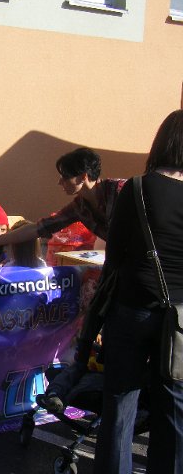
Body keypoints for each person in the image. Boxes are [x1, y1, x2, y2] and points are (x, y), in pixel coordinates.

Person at [93, 109, 183, 474]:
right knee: (173, 406)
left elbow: (114, 256)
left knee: (120, 402)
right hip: (180, 317)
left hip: (133, 307)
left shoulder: (137, 188)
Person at [0, 147, 125, 250]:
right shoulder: (79, 208)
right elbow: (38, 228)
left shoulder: (123, 190)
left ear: (83, 177)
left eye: (65, 176)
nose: (60, 182)